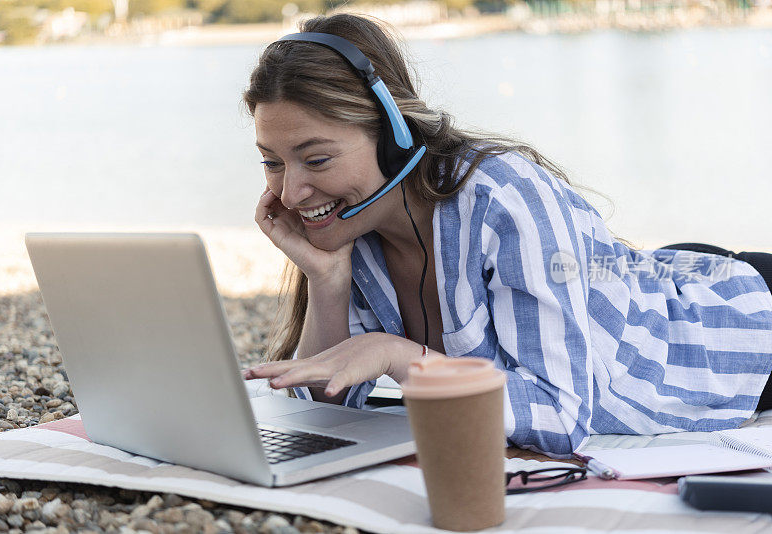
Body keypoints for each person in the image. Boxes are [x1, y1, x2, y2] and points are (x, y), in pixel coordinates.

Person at [240, 13, 772, 456]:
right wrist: (326, 280)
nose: (290, 194)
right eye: (272, 163)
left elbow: (560, 418)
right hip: (635, 279)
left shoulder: (505, 198)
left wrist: (403, 357)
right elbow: (320, 405)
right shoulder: (356, 229)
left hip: (729, 323)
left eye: (316, 159)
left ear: (395, 138)